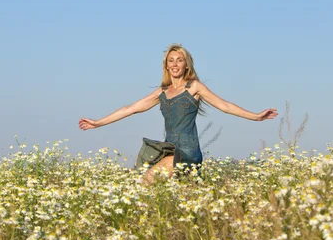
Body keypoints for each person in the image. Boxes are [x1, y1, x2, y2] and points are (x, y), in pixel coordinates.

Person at [79, 43, 278, 182]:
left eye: (179, 60)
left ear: (186, 64)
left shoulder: (194, 88)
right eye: (171, 61)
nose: (175, 64)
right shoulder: (162, 93)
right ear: (166, 65)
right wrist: (98, 123)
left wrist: (256, 116)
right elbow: (129, 109)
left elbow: (225, 105)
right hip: (169, 148)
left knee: (145, 181)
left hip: (188, 150)